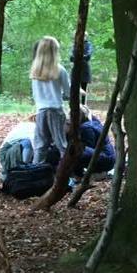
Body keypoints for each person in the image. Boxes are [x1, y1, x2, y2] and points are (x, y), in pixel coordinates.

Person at [30, 36, 70, 165]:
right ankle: (66, 176)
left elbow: (36, 94)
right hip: (56, 111)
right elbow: (68, 93)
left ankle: (35, 174)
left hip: (41, 111)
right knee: (62, 146)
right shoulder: (60, 70)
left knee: (40, 146)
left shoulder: (35, 71)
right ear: (54, 52)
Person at [75, 106, 115, 176]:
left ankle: (79, 176)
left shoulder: (85, 128)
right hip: (110, 159)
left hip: (105, 160)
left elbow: (88, 147)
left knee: (76, 151)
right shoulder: (94, 122)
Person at [70, 32, 94, 104]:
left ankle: (83, 105)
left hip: (84, 70)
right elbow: (71, 58)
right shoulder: (74, 45)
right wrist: (80, 57)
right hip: (75, 69)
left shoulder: (88, 45)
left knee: (84, 89)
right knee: (75, 89)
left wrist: (77, 57)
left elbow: (88, 56)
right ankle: (75, 105)